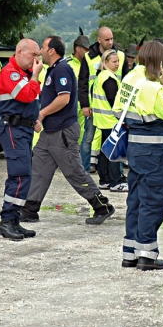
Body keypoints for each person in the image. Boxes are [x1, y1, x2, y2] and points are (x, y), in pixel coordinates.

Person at [21, 36, 115, 224]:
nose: (40, 49)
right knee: (38, 169)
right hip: (50, 133)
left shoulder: (62, 69)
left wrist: (42, 114)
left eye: (43, 46)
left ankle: (101, 206)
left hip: (62, 132)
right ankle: (30, 209)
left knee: (74, 172)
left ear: (52, 51)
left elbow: (63, 98)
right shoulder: (53, 70)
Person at [116, 41, 163, 270]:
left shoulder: (129, 78)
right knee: (152, 201)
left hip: (134, 147)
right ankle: (147, 254)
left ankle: (130, 254)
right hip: (153, 150)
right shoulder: (154, 86)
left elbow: (118, 109)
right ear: (160, 61)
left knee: (135, 199)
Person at [0, 39, 43, 241]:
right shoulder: (10, 72)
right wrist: (36, 76)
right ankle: (6, 221)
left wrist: (35, 119)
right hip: (13, 129)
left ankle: (13, 220)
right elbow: (26, 94)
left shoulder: (23, 73)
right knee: (20, 175)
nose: (37, 59)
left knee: (24, 175)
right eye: (33, 55)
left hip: (24, 128)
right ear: (20, 52)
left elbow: (31, 101)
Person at [78, 27, 129, 173]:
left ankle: (115, 173)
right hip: (93, 106)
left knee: (114, 141)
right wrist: (85, 105)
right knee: (88, 139)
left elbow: (126, 80)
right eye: (107, 39)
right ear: (99, 40)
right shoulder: (89, 57)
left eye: (112, 38)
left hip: (113, 108)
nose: (111, 42)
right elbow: (83, 82)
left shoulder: (120, 55)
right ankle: (84, 171)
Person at [92, 49, 128, 192]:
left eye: (118, 61)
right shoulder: (109, 79)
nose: (117, 64)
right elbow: (114, 102)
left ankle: (105, 180)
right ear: (105, 62)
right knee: (114, 152)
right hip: (111, 120)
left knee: (104, 152)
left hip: (102, 120)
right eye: (114, 61)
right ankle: (115, 182)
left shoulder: (100, 76)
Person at [64, 35, 90, 145]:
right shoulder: (66, 64)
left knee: (83, 135)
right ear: (77, 49)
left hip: (85, 107)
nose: (88, 52)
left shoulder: (89, 64)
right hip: (70, 107)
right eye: (85, 49)